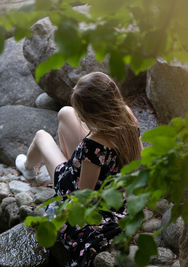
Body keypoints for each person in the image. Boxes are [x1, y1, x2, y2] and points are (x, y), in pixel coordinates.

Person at [15, 72, 143, 266]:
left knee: (42, 136)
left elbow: (83, 197)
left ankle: (28, 168)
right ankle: (67, 161)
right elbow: (138, 162)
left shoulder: (93, 145)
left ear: (89, 115)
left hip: (76, 186)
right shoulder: (126, 115)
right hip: (110, 178)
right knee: (65, 113)